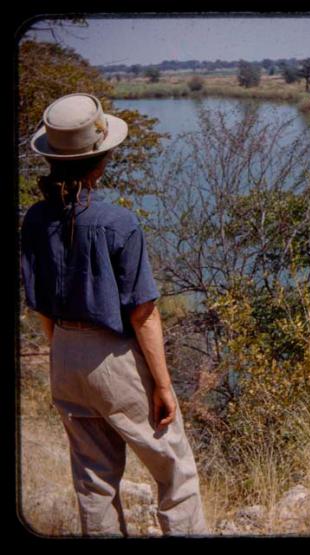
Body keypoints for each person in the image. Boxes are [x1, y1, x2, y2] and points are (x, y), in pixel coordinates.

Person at [20, 93, 208, 537]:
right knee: (175, 472)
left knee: (93, 482)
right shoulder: (118, 223)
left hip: (64, 355)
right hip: (114, 362)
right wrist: (163, 386)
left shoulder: (33, 220)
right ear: (100, 160)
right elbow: (143, 314)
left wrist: (66, 350)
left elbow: (40, 304)